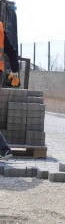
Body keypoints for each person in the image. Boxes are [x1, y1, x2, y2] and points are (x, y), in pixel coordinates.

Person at [0, 21, 20, 160]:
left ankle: (3, 149)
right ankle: (3, 149)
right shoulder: (0, 29)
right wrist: (16, 72)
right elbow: (11, 52)